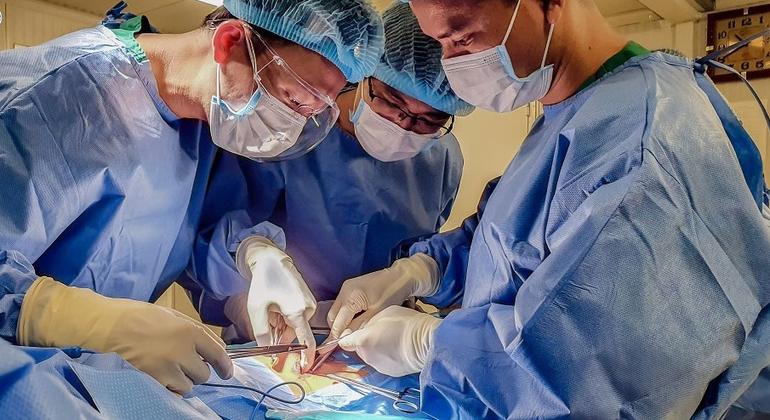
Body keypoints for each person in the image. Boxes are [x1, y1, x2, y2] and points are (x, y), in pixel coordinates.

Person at [330, 0, 770, 418]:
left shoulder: (638, 145)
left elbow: (586, 374)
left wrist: (430, 343)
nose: (452, 63)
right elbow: (510, 237)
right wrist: (422, 269)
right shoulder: (575, 112)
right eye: (440, 44)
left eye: (461, 37)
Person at [0, 0, 383, 394]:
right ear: (230, 42)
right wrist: (63, 318)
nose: (292, 124)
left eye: (313, 112)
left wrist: (254, 253)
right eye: (293, 99)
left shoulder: (202, 123)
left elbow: (190, 237)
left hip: (85, 380)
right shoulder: (52, 96)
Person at [182, 1, 474, 371]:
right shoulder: (288, 123)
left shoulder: (441, 157)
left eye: (427, 121)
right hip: (281, 343)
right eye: (391, 101)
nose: (404, 125)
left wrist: (406, 284)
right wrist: (244, 290)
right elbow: (212, 236)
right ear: (366, 77)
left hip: (379, 350)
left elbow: (425, 254)